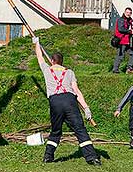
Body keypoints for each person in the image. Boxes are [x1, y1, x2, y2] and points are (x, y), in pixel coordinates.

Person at [32, 36, 101, 165]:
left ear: (52, 61)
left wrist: (37, 43)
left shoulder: (47, 70)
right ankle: (92, 157)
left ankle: (48, 157)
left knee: (56, 130)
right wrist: (86, 108)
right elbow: (76, 91)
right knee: (80, 129)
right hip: (70, 101)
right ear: (62, 62)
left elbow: (39, 57)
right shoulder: (69, 72)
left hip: (55, 102)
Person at [112, 7, 133, 74]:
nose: (128, 14)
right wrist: (130, 32)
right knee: (120, 56)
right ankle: (115, 70)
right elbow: (121, 29)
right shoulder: (121, 20)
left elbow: (128, 30)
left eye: (130, 13)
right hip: (121, 41)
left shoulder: (129, 21)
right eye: (127, 12)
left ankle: (129, 68)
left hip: (128, 41)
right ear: (124, 12)